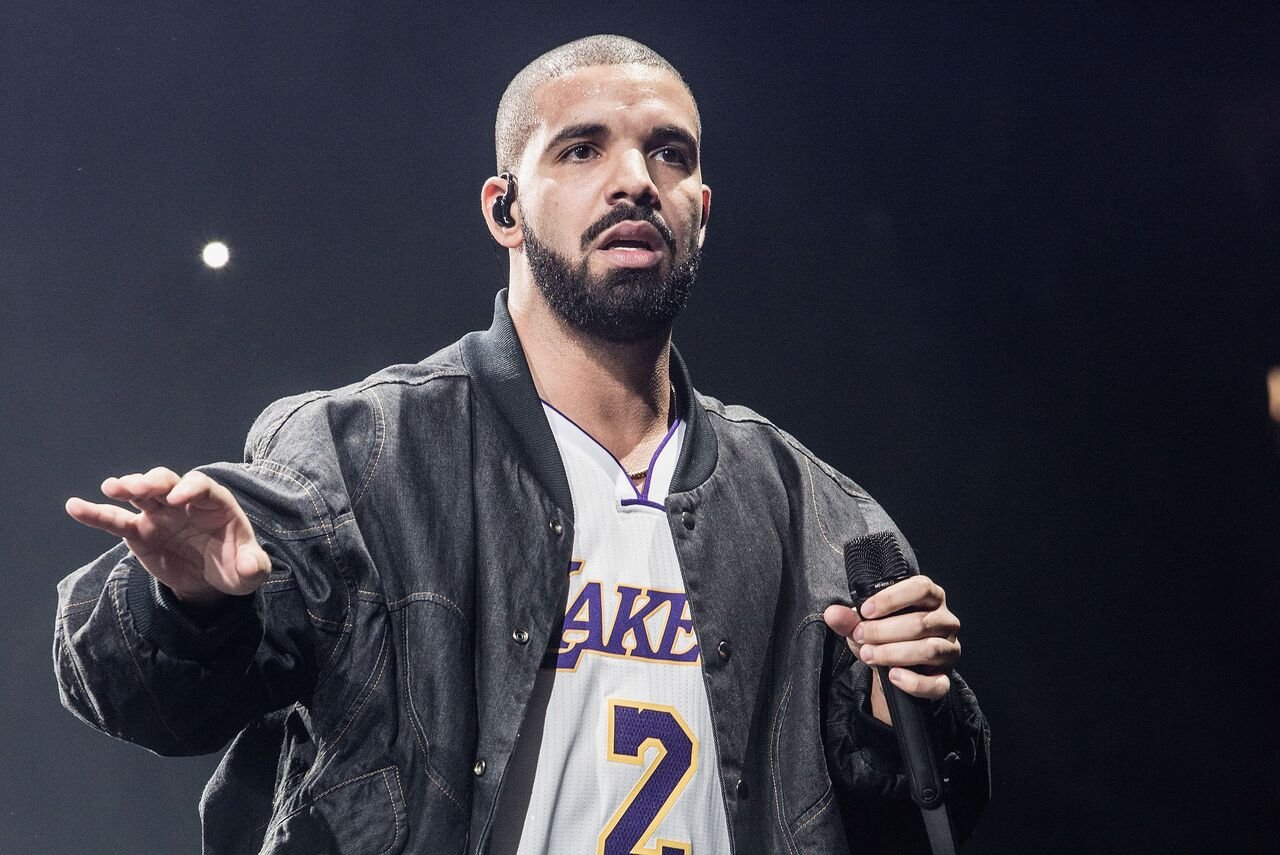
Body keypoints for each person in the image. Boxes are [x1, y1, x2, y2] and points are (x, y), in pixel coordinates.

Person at [55, 35, 989, 854]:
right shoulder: (363, 451)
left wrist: (908, 712)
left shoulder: (816, 509)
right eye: (582, 149)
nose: (635, 179)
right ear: (504, 209)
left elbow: (908, 813)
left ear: (702, 209)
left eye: (669, 155)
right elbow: (143, 698)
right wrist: (188, 606)